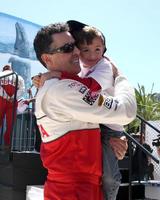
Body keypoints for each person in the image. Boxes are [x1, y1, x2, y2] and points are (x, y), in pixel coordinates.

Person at [33, 22, 137, 200]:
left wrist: (112, 140)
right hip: (74, 191)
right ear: (47, 59)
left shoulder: (60, 85)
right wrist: (120, 76)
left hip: (80, 188)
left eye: (74, 45)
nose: (76, 52)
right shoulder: (61, 90)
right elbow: (126, 111)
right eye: (67, 48)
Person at [0, 65, 25, 145]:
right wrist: (13, 97)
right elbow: (22, 89)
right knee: (10, 124)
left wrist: (6, 96)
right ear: (11, 69)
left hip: (1, 99)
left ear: (3, 69)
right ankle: (7, 144)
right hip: (13, 101)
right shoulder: (18, 77)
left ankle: (7, 144)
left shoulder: (1, 74)